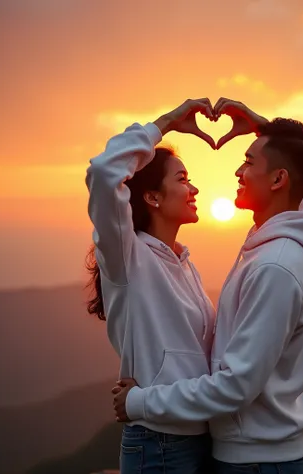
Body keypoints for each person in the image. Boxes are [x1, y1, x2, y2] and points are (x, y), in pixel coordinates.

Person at [112, 98, 303, 474]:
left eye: (249, 162)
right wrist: (269, 133)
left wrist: (139, 402)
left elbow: (237, 385)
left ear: (278, 179)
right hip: (252, 453)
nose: (238, 169)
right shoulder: (272, 245)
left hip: (255, 461)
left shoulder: (275, 266)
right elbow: (297, 188)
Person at [85, 98, 219, 474]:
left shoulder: (184, 263)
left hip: (201, 434)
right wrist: (167, 122)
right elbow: (103, 171)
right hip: (159, 444)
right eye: (181, 179)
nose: (193, 188)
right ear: (151, 196)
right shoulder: (128, 256)